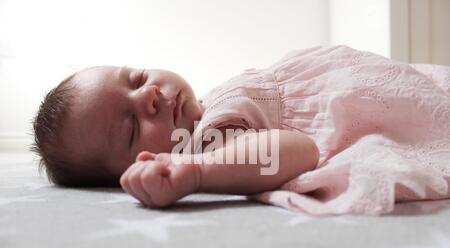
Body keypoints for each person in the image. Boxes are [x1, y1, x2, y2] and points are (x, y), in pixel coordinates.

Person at [32, 45, 450, 215]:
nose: (150, 97)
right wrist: (197, 173)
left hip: (391, 88)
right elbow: (298, 151)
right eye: (131, 127)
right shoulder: (209, 147)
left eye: (138, 78)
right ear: (137, 167)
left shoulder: (213, 104)